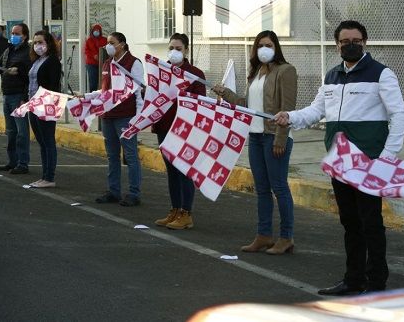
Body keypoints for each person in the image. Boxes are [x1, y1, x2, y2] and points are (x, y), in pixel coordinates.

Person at [273, 20, 404, 295]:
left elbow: (399, 115)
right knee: (350, 223)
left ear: (365, 42)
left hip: (369, 163)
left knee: (371, 224)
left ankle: (376, 283)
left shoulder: (382, 74)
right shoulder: (332, 76)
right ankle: (353, 279)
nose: (350, 45)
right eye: (345, 42)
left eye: (356, 40)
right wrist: (290, 117)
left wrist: (387, 157)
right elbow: (315, 110)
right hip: (340, 163)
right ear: (337, 46)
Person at [213, 30, 298, 254]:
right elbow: (247, 104)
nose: (264, 49)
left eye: (269, 45)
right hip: (256, 136)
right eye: (260, 45)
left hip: (274, 137)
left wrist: (280, 138)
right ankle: (264, 235)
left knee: (279, 187)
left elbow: (287, 109)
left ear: (276, 47)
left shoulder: (286, 71)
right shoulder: (256, 73)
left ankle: (286, 237)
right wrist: (226, 93)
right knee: (261, 189)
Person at [153, 33, 206, 229]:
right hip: (164, 126)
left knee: (184, 171)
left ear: (186, 51)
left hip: (184, 128)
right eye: (171, 48)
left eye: (178, 49)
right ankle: (175, 209)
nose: (174, 52)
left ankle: (186, 213)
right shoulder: (162, 70)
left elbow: (200, 102)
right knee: (171, 172)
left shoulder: (195, 74)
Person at [95, 32, 144, 207]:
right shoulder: (107, 63)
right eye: (107, 43)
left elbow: (138, 92)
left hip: (126, 116)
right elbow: (105, 91)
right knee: (112, 156)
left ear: (122, 44)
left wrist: (138, 118)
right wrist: (87, 97)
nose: (108, 46)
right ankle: (113, 191)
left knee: (130, 155)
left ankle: (134, 193)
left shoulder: (133, 63)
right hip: (108, 116)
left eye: (112, 43)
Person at [0, 23, 32, 174]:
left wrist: (25, 98)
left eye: (17, 33)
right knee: (11, 131)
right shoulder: (8, 50)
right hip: (7, 95)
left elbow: (30, 78)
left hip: (19, 96)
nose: (13, 36)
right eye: (12, 33)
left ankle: (23, 163)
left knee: (21, 132)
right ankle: (12, 161)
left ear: (24, 36)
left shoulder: (28, 53)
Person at [28, 29, 62, 188]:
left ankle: (50, 177)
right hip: (33, 104)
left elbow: (53, 84)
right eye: (35, 42)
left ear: (48, 43)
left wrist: (44, 102)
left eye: (40, 42)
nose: (37, 45)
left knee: (48, 141)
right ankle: (44, 176)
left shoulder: (52, 60)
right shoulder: (37, 61)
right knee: (41, 142)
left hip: (46, 105)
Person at [84, 24, 107, 92]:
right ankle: (92, 96)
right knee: (93, 82)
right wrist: (94, 55)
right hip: (91, 64)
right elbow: (86, 51)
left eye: (98, 30)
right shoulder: (89, 40)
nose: (96, 32)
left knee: (103, 81)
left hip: (103, 64)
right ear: (92, 31)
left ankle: (102, 95)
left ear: (100, 31)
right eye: (95, 30)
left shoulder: (105, 40)